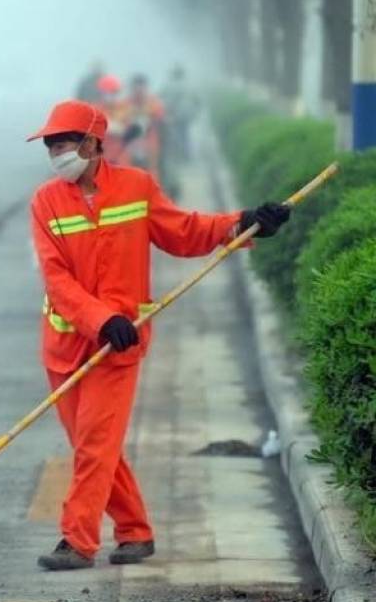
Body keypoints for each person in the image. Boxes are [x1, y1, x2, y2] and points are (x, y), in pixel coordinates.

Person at [27, 100, 290, 570]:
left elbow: (184, 231)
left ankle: (77, 541)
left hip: (118, 347)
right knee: (97, 449)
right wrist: (97, 317)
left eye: (63, 142)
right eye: (51, 145)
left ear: (92, 143)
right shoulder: (45, 201)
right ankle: (136, 532)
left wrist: (242, 221)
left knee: (93, 445)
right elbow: (57, 280)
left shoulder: (135, 188)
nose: (56, 152)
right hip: (65, 347)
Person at [122, 74, 166, 181]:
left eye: (141, 87)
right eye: (136, 87)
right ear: (132, 88)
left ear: (145, 87)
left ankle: (153, 192)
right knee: (126, 167)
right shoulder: (125, 104)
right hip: (130, 143)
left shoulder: (153, 103)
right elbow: (121, 120)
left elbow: (160, 117)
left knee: (152, 169)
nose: (139, 91)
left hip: (149, 141)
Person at [162, 64, 199, 162]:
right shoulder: (190, 85)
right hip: (188, 114)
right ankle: (187, 154)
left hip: (177, 114)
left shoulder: (171, 85)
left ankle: (180, 154)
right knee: (185, 134)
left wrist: (168, 112)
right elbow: (197, 100)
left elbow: (166, 99)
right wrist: (195, 112)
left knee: (177, 134)